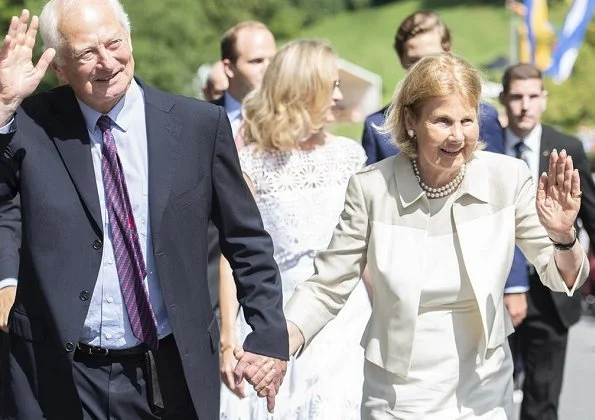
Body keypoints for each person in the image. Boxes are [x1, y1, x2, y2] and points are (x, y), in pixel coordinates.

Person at [0, 2, 287, 419]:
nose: (106, 61)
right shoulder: (27, 125)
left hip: (169, 367)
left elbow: (245, 240)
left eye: (114, 43)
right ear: (59, 68)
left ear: (129, 40)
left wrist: (268, 334)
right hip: (58, 372)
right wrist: (4, 106)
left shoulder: (197, 126)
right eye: (85, 53)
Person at [283, 53, 588, 419]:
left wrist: (562, 236)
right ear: (411, 120)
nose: (458, 136)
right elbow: (328, 283)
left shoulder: (508, 178)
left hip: (484, 389)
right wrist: (278, 341)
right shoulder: (372, 188)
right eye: (443, 120)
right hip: (398, 394)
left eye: (468, 120)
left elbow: (562, 275)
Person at [219, 39, 370, 419]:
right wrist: (228, 338)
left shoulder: (350, 156)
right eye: (331, 85)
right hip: (272, 310)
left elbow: (367, 250)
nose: (338, 96)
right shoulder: (249, 162)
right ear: (304, 88)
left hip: (347, 318)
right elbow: (232, 255)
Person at [499, 62, 595, 420]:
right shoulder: (487, 149)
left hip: (552, 299)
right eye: (517, 96)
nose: (525, 105)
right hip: (495, 296)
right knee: (490, 398)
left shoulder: (566, 147)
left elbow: (591, 217)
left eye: (532, 96)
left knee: (542, 401)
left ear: (544, 99)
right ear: (505, 99)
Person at [206, 21, 276, 326]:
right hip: (209, 278)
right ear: (229, 67)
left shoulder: (295, 125)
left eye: (273, 60)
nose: (269, 69)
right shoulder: (200, 121)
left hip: (274, 271)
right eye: (257, 61)